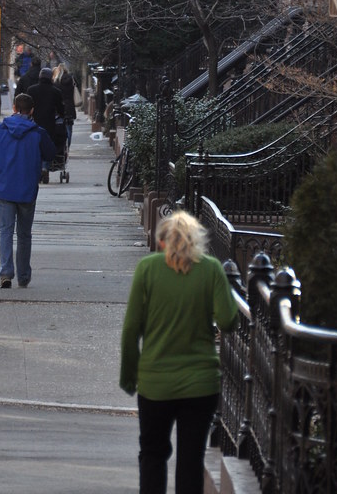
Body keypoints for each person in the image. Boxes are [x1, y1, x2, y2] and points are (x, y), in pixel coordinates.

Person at [120, 210, 239, 494]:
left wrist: (129, 376)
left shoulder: (147, 270)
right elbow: (228, 320)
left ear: (163, 242)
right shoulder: (210, 269)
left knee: (152, 454)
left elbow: (130, 330)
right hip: (200, 384)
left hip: (155, 384)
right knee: (190, 459)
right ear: (196, 242)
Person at [0, 92, 56, 289]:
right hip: (27, 190)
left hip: (5, 188)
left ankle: (6, 272)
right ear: (32, 110)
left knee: (5, 232)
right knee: (24, 234)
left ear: (14, 108)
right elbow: (51, 153)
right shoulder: (37, 133)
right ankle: (23, 275)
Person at [27, 66, 65, 182]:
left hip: (34, 123)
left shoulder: (31, 90)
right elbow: (60, 108)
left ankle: (38, 169)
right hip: (50, 124)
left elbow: (28, 107)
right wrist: (62, 117)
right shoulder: (56, 91)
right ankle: (45, 167)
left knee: (35, 147)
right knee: (47, 146)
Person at [52, 63, 77, 150]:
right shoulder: (71, 80)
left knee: (61, 128)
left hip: (60, 107)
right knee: (69, 128)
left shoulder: (56, 82)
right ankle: (68, 147)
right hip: (69, 106)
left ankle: (63, 147)